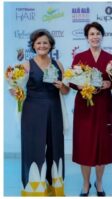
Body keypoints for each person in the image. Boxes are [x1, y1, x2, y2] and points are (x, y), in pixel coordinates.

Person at [8, 29, 69, 196]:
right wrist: (14, 91)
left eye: (45, 43)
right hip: (32, 112)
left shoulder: (59, 65)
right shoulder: (25, 65)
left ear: (51, 45)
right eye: (38, 43)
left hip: (54, 110)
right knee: (33, 149)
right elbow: (14, 88)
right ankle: (34, 190)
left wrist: (61, 86)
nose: (42, 45)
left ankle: (54, 188)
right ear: (33, 46)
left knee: (55, 148)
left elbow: (65, 91)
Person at [70, 22, 112, 196]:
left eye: (98, 33)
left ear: (102, 36)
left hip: (104, 107)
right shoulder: (79, 57)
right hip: (84, 108)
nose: (95, 36)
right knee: (85, 145)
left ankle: (100, 182)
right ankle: (85, 183)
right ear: (87, 37)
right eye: (91, 34)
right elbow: (72, 80)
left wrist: (109, 83)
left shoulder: (111, 58)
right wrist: (79, 86)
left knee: (102, 145)